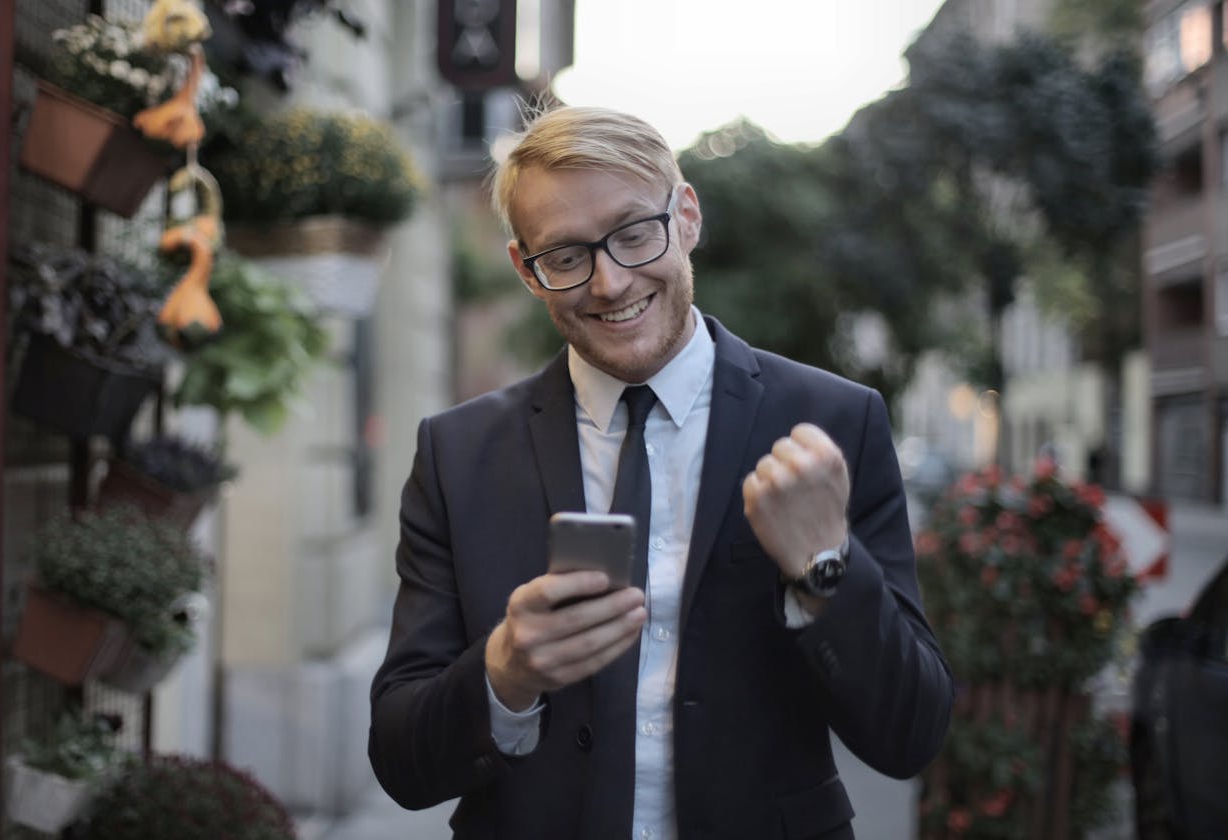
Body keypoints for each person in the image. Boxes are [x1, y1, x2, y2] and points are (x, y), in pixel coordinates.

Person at [369, 105, 953, 840]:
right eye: (566, 256)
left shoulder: (833, 421)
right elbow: (402, 762)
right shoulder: (458, 453)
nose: (610, 282)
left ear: (686, 217)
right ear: (525, 269)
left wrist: (823, 567)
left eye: (634, 233)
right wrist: (504, 671)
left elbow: (909, 734)